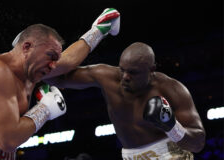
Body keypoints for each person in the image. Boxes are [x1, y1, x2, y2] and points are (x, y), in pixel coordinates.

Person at [0, 8, 120, 160]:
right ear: (27, 47)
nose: (53, 65)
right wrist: (44, 109)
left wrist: (98, 30)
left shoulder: (32, 72)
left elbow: (68, 61)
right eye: (50, 56)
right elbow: (8, 140)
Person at [45, 42, 206, 159]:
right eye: (122, 70)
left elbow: (198, 143)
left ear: (151, 70)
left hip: (170, 153)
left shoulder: (171, 89)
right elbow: (54, 76)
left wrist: (172, 126)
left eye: (133, 72)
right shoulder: (105, 76)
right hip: (131, 156)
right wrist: (93, 36)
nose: (125, 77)